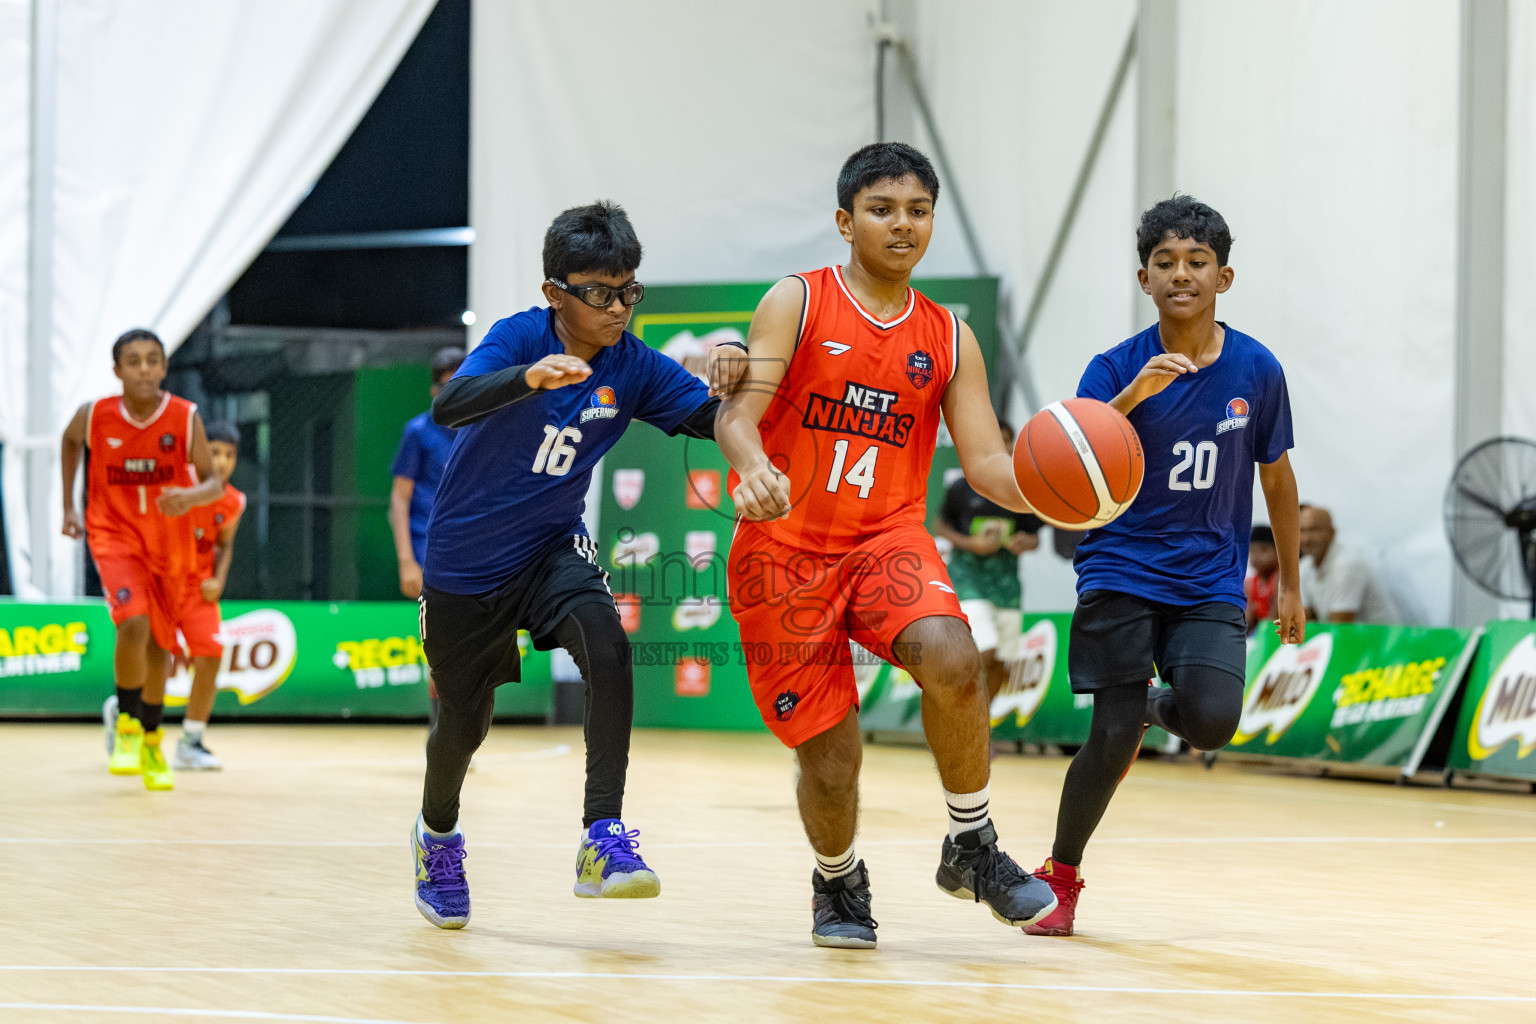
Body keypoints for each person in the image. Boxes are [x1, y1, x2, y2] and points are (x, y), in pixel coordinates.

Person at [716, 142, 1058, 950]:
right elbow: (735, 413)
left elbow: (988, 465)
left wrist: (1066, 491)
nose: (902, 225)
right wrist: (753, 466)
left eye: (917, 211)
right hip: (784, 552)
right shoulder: (798, 300)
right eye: (882, 210)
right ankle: (837, 880)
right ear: (846, 222)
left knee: (954, 655)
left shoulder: (950, 336)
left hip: (885, 539)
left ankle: (971, 845)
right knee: (832, 760)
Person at [409, 201, 743, 928]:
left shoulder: (632, 363)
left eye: (629, 291)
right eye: (599, 292)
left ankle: (602, 837)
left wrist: (741, 371)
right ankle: (436, 837)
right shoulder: (517, 337)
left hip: (551, 547)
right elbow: (450, 407)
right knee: (464, 723)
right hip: (466, 563)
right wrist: (527, 378)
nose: (619, 308)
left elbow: (708, 418)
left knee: (608, 643)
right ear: (555, 294)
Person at [1023, 196, 1305, 937]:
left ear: (1223, 277)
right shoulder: (1114, 366)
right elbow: (1072, 455)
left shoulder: (1257, 368)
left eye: (1197, 262)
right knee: (1110, 734)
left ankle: (1155, 704)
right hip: (1120, 566)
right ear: (1143, 277)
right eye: (1165, 262)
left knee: (1211, 722)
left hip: (1210, 575)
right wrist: (1132, 397)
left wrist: (1292, 585)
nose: (1182, 274)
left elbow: (1277, 479)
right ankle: (1060, 877)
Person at [62, 328, 224, 791]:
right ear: (117, 370)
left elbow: (213, 482)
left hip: (168, 545)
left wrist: (189, 496)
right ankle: (128, 728)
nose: (144, 369)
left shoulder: (184, 416)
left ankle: (152, 739)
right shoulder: (94, 415)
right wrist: (69, 505)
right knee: (132, 622)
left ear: (165, 367)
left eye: (153, 360)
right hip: (113, 536)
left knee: (159, 645)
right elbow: (69, 442)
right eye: (133, 361)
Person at [933, 420, 1043, 701]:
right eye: (998, 439)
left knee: (1000, 661)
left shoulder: (1023, 490)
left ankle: (982, 720)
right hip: (968, 580)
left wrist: (1025, 543)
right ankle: (953, 707)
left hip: (1006, 587)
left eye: (1008, 440)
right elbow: (940, 524)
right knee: (986, 649)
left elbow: (1034, 537)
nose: (1003, 445)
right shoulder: (963, 486)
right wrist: (971, 544)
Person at [389, 346, 465, 724]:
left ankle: (458, 723)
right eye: (448, 385)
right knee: (442, 637)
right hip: (428, 546)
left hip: (471, 548)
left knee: (468, 640)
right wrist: (406, 560)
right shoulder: (418, 432)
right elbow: (399, 498)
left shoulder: (480, 432)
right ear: (435, 390)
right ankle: (443, 728)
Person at [171, 420, 246, 770]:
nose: (221, 461)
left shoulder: (234, 502)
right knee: (151, 661)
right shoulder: (179, 488)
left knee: (212, 654)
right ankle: (124, 713)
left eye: (229, 455)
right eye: (214, 452)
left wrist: (219, 579)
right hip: (164, 585)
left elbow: (225, 544)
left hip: (199, 590)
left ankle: (191, 740)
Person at [1298, 504, 1399, 624]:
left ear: (1332, 533)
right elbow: (1305, 620)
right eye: (1301, 530)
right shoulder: (1305, 566)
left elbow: (1340, 625)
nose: (1306, 538)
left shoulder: (1348, 564)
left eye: (1314, 530)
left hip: (1379, 634)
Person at [1245, 524, 1278, 634]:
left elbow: (1274, 618)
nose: (1256, 556)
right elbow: (1247, 619)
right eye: (1252, 550)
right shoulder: (1249, 583)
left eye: (1263, 549)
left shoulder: (1280, 578)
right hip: (1259, 633)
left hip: (1274, 632)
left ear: (1278, 551)